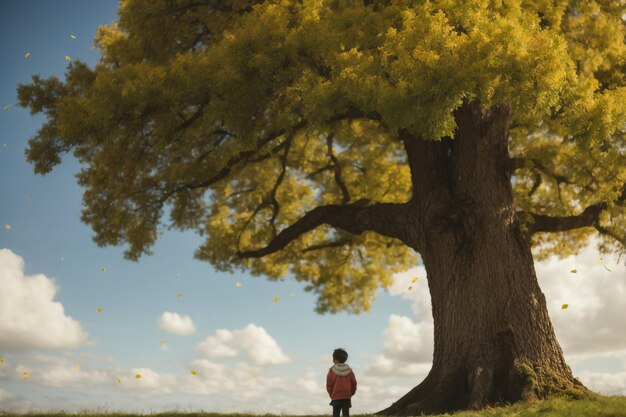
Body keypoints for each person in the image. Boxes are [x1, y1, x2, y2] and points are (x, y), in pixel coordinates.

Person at [326, 348, 357, 417]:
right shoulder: (350, 371)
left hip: (336, 396)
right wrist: (351, 393)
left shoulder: (331, 371)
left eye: (333, 358)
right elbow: (354, 384)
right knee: (346, 414)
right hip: (346, 396)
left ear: (335, 360)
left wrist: (332, 395)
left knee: (335, 414)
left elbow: (329, 385)